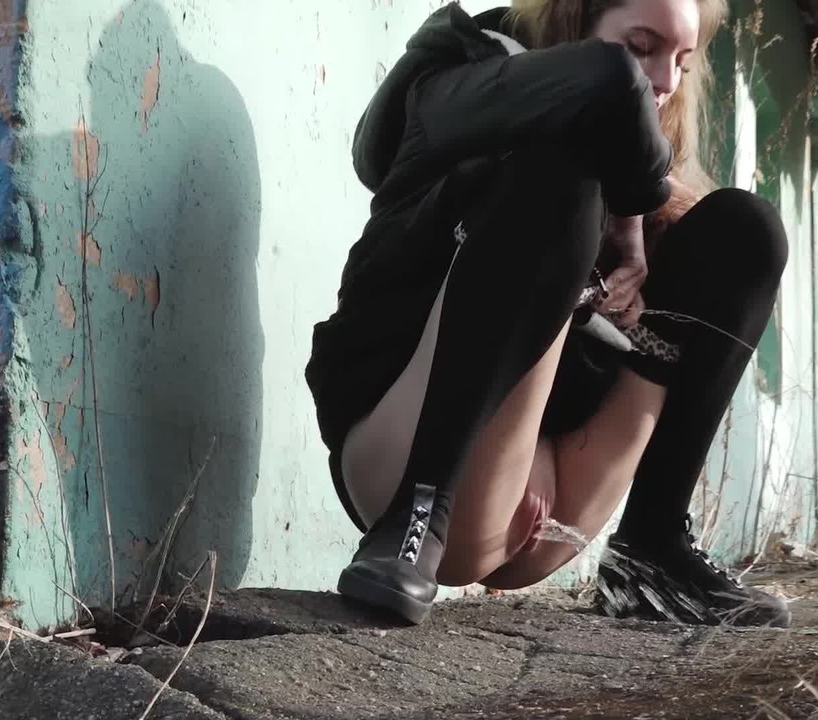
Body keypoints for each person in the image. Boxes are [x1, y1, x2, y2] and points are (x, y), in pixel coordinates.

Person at [304, 0, 791, 629]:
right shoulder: (457, 80)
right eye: (642, 47)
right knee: (562, 174)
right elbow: (602, 79)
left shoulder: (637, 162)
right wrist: (632, 201)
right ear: (571, 23)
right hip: (408, 458)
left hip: (556, 491)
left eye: (683, 62)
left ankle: (652, 552)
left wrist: (631, 269)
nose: (666, 81)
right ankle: (411, 522)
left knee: (743, 231)